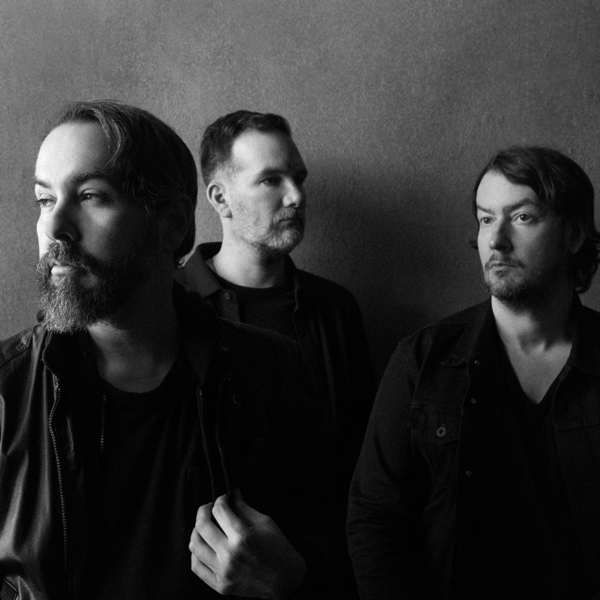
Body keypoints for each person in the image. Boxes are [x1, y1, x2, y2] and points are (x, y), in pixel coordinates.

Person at [0, 100, 333, 600]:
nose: (55, 227)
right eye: (45, 200)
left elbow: (339, 549)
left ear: (172, 222)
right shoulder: (5, 391)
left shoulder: (273, 373)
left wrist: (290, 583)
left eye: (90, 196)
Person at [347, 146, 600, 600]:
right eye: (486, 219)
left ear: (575, 232)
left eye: (522, 217)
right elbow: (375, 518)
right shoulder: (422, 360)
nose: (496, 240)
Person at [176, 110, 376, 510]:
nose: (296, 196)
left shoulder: (335, 310)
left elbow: (363, 459)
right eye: (271, 180)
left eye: (298, 178)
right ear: (220, 198)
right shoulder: (170, 302)